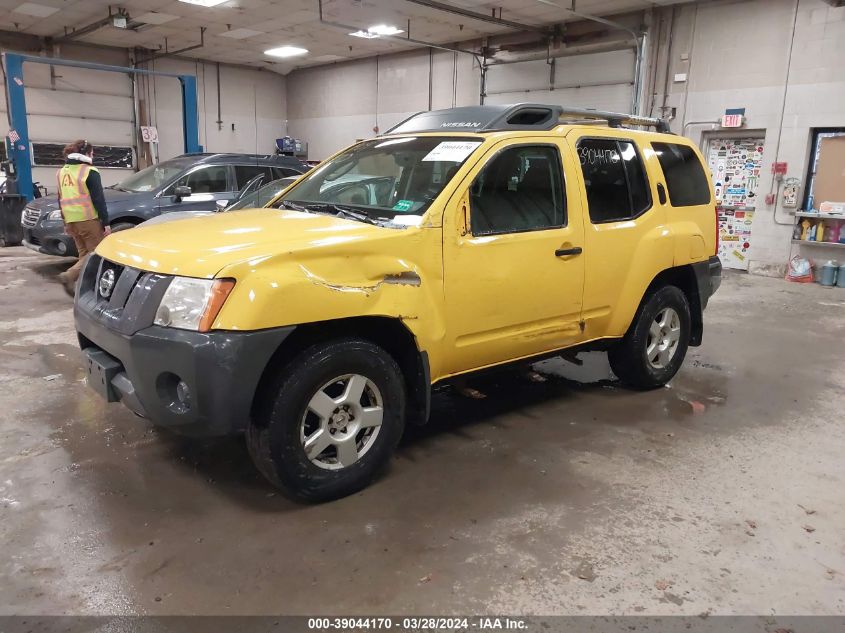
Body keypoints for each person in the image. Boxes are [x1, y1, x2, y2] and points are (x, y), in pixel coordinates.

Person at [56, 140, 110, 296]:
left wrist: (65, 221)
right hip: (88, 219)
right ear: (85, 154)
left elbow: (60, 199)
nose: (93, 156)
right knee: (96, 253)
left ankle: (83, 289)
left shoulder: (61, 172)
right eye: (92, 153)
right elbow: (98, 199)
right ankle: (69, 275)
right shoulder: (89, 171)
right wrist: (105, 222)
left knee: (83, 254)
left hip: (71, 220)